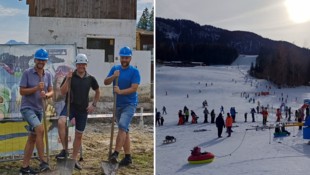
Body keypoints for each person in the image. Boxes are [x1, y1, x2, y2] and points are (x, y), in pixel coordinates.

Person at [55, 53, 100, 170]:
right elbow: (63, 92)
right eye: (79, 64)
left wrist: (93, 105)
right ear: (76, 64)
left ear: (86, 65)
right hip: (70, 106)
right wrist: (68, 79)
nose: (81, 66)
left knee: (79, 135)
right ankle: (65, 150)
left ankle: (74, 160)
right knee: (61, 122)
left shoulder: (90, 78)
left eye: (83, 64)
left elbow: (98, 91)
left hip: (83, 110)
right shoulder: (70, 76)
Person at [104, 46, 140, 166]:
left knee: (122, 125)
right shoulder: (115, 69)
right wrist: (113, 76)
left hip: (129, 104)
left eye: (127, 57)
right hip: (117, 105)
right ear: (120, 57)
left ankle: (115, 154)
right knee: (124, 130)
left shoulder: (135, 72)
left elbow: (134, 88)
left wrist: (120, 91)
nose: (124, 59)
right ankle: (128, 157)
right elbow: (106, 82)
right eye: (123, 57)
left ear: (130, 58)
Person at [19, 48, 53, 174]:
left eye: (43, 60)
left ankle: (25, 168)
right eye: (39, 59)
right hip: (27, 108)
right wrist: (36, 88)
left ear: (46, 62)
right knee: (40, 129)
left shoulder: (48, 75)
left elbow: (51, 91)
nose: (41, 62)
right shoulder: (27, 73)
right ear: (35, 60)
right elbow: (22, 91)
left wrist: (47, 95)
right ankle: (43, 161)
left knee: (32, 137)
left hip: (39, 109)